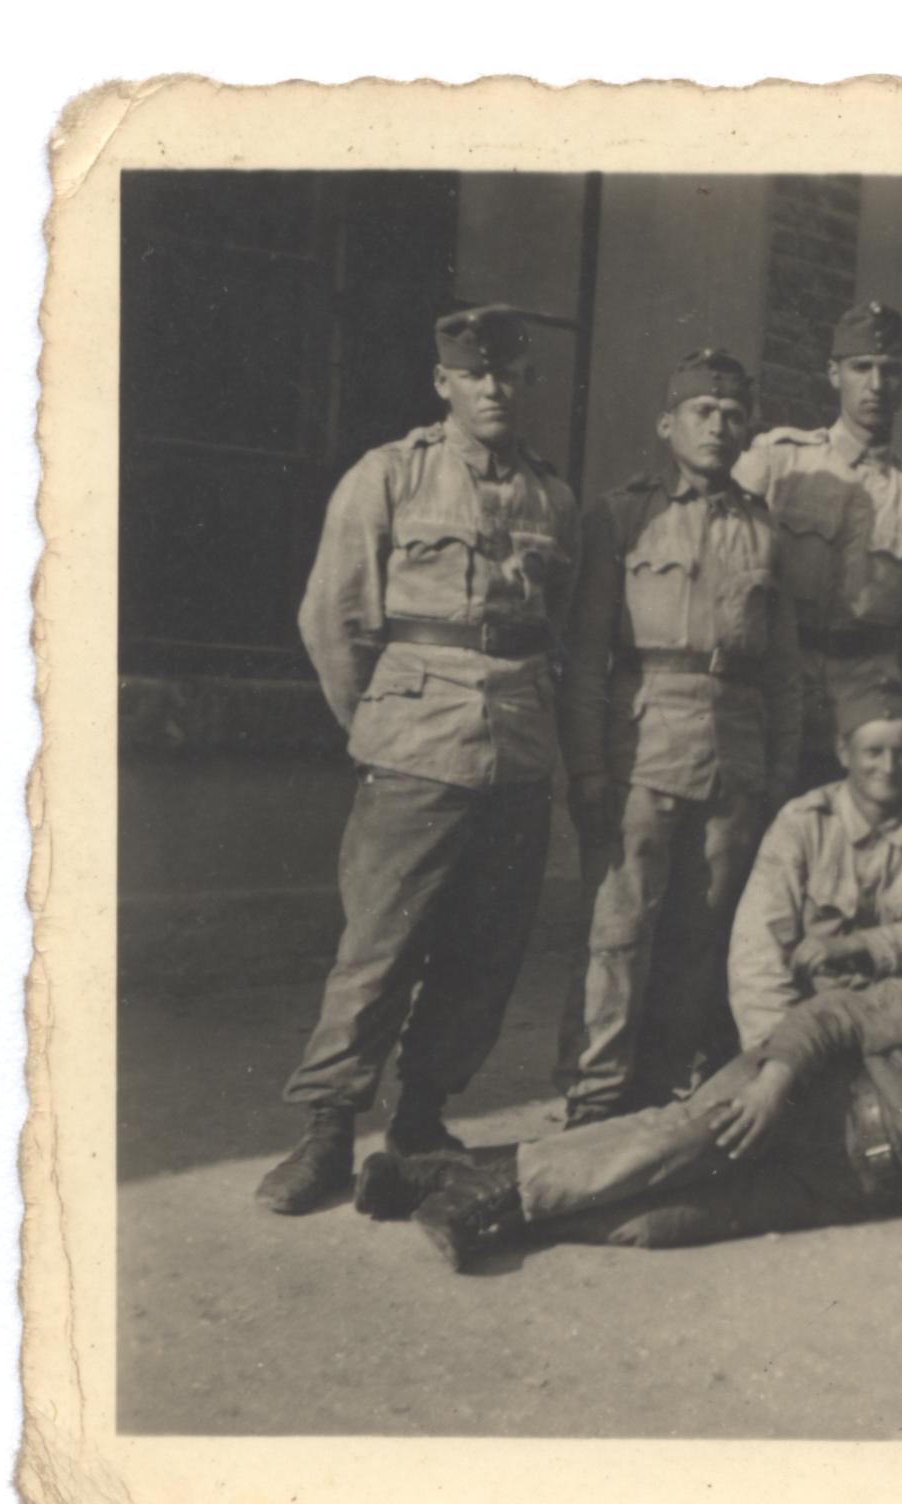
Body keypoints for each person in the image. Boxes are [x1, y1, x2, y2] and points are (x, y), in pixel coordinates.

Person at [255, 305, 579, 1215]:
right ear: (444, 382)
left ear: (526, 383)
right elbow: (334, 617)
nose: (493, 388)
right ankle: (326, 1130)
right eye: (474, 374)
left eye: (507, 373)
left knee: (485, 949)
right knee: (379, 947)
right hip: (414, 746)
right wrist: (385, 722)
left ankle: (423, 1116)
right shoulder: (389, 476)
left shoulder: (553, 499)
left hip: (517, 747)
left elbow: (557, 625)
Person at [352, 912, 902, 1269]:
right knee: (660, 1146)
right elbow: (835, 1015)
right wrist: (773, 1083)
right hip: (800, 1101)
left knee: (652, 1225)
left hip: (835, 1189)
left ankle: (449, 1177)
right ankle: (480, 1202)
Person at [551, 349, 802, 1127]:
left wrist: (777, 778)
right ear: (668, 425)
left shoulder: (763, 529)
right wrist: (587, 767)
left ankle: (657, 1097)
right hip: (644, 745)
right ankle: (594, 1097)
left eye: (732, 414)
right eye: (702, 411)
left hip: (734, 753)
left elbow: (782, 673)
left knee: (701, 933)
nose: (718, 426)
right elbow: (585, 656)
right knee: (618, 931)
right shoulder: (621, 515)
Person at [733, 301, 902, 789]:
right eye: (861, 368)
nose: (876, 384)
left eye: (891, 370)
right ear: (834, 374)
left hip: (865, 713)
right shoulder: (779, 462)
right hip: (774, 695)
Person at [725, 676, 902, 1050]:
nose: (889, 766)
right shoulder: (802, 823)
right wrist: (780, 1049)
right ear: (843, 752)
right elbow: (757, 952)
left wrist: (855, 945)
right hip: (805, 1019)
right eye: (873, 752)